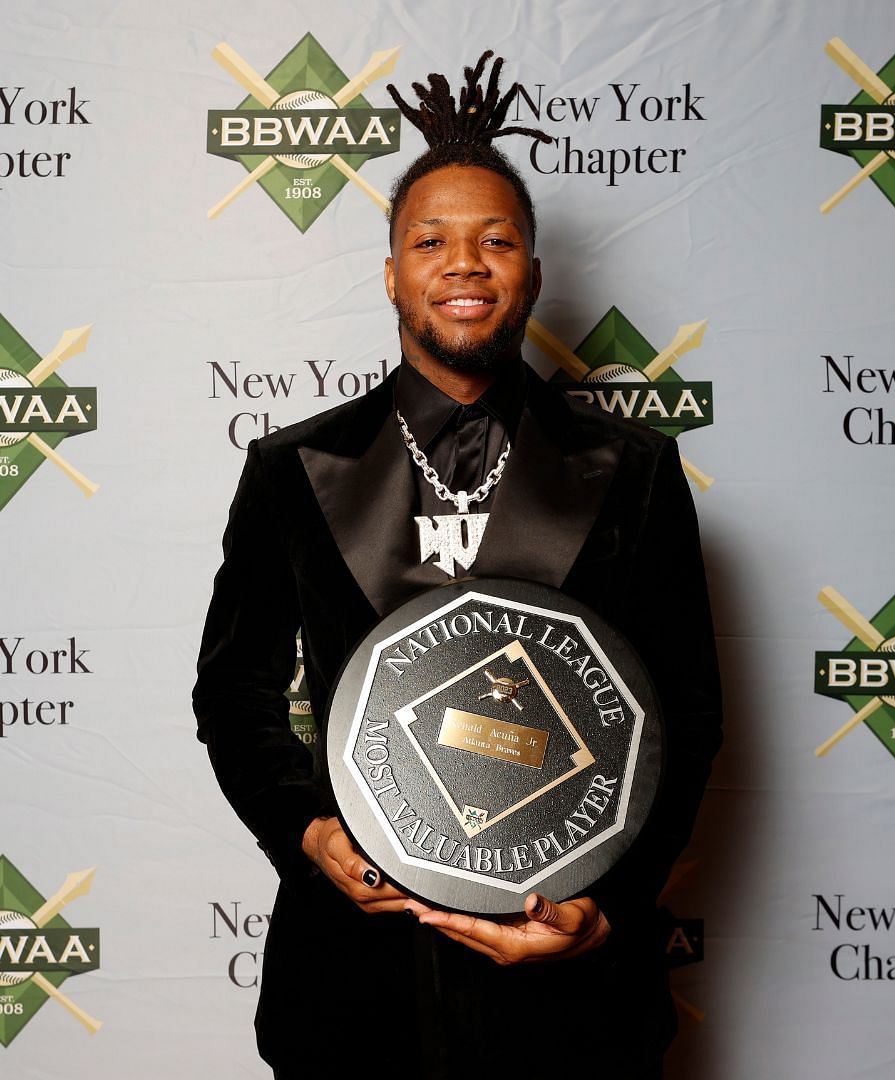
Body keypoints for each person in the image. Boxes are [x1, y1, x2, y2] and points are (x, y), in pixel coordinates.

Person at [191, 53, 722, 1077]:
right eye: (430, 240)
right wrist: (306, 833)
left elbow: (686, 717)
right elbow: (233, 690)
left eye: (497, 240)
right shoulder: (294, 470)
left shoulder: (633, 471)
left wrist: (604, 915)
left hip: (568, 989)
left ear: (532, 272)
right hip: (351, 982)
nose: (464, 263)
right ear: (391, 272)